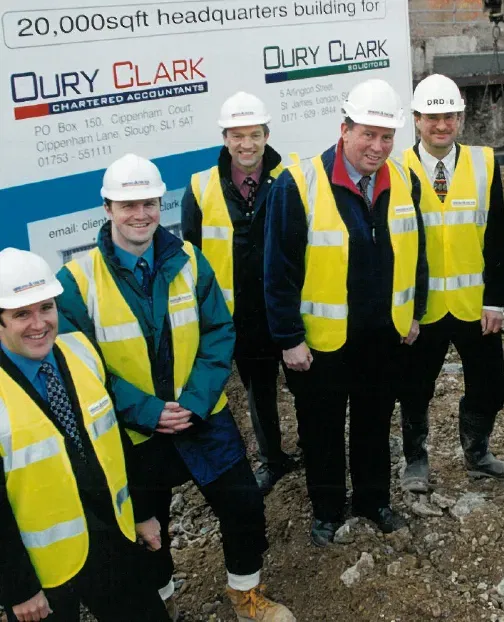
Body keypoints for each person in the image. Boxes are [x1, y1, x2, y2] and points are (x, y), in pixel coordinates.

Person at [56, 154, 295, 622]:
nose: (140, 214)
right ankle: (161, 601)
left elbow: (218, 330)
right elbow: (80, 371)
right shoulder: (77, 281)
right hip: (133, 432)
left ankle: (245, 593)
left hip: (200, 416)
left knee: (244, 504)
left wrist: (195, 401)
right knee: (148, 530)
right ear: (107, 208)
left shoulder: (187, 259)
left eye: (148, 202)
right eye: (128, 205)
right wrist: (145, 410)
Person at [265, 79, 428, 546]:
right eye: (368, 135)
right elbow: (278, 269)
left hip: (382, 335)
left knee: (375, 422)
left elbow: (415, 253)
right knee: (322, 429)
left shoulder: (404, 179)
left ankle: (374, 500)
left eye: (386, 137)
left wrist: (412, 312)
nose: (377, 147)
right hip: (321, 343)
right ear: (344, 129)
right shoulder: (299, 184)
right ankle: (328, 509)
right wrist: (289, 338)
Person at [0, 248, 170, 622]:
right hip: (42, 570)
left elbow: (118, 443)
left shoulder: (80, 351)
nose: (38, 323)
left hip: (109, 534)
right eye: (21, 314)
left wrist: (142, 513)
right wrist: (18, 587)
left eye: (45, 308)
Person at [396, 73, 504, 493]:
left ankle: (478, 453)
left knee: (492, 386)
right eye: (431, 117)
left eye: (448, 116)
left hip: (473, 307)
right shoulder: (397, 169)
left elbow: (496, 236)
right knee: (414, 389)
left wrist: (495, 302)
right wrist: (403, 312)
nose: (441, 125)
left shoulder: (484, 163)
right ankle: (416, 459)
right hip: (422, 310)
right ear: (416, 120)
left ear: (461, 118)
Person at [182, 91, 300, 495]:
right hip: (240, 318)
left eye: (254, 134)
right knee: (259, 393)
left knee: (305, 386)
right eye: (237, 135)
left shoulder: (294, 175)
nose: (246, 144)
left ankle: (314, 447)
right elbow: (192, 261)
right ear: (225, 137)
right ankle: (273, 459)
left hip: (288, 309)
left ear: (267, 134)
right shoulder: (200, 188)